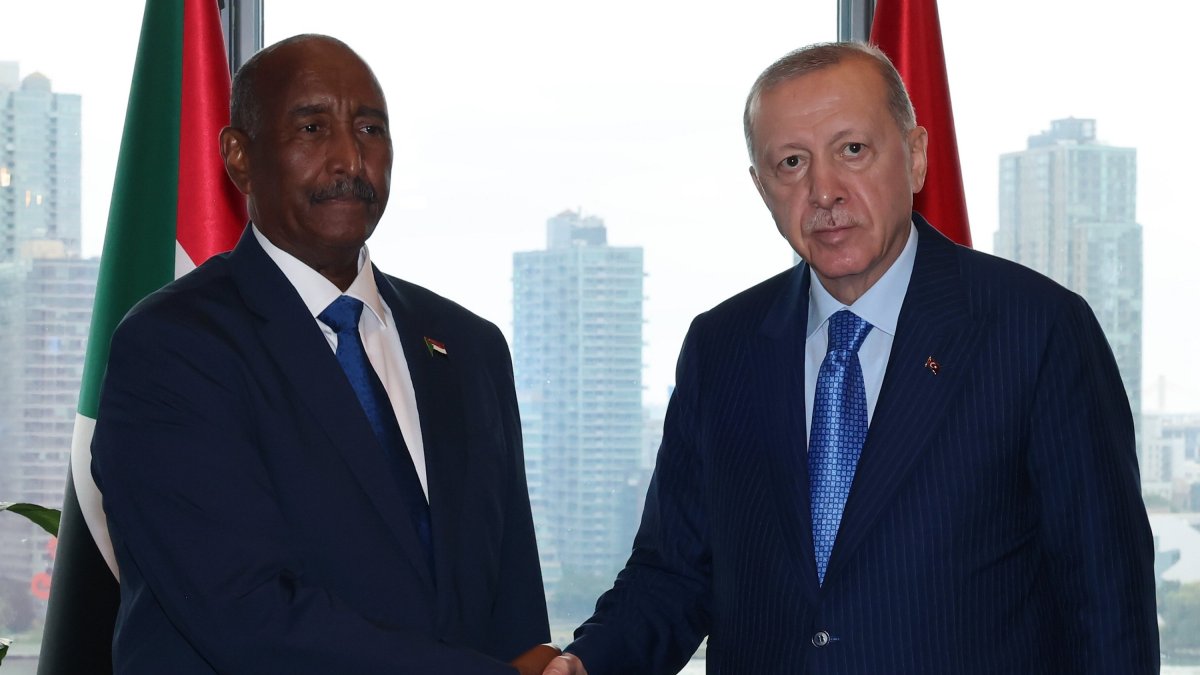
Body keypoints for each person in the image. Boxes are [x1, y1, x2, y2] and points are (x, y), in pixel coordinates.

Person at [544, 42, 1159, 674]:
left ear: (916, 156)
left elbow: (1105, 595)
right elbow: (673, 572)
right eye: (791, 162)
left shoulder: (1036, 329)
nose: (824, 191)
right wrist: (586, 664)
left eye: (853, 150)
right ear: (761, 187)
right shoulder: (721, 346)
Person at [91, 34, 557, 673]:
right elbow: (246, 616)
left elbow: (513, 608)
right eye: (312, 127)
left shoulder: (470, 348)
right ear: (239, 157)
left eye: (370, 129)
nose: (348, 159)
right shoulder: (174, 347)